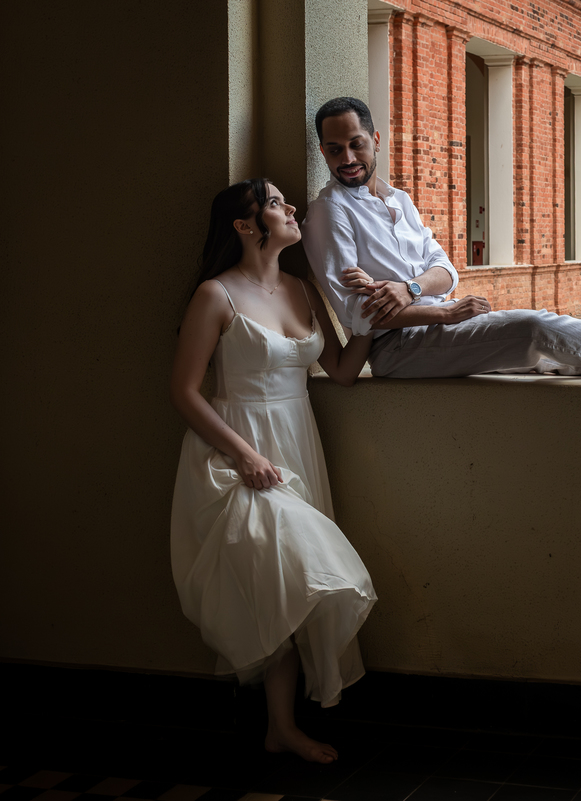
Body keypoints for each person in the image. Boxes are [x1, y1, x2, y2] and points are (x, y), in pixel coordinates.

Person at [302, 96, 581, 379]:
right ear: (323, 151)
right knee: (533, 327)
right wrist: (443, 313)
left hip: (436, 326)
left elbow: (446, 271)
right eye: (335, 149)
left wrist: (409, 287)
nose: (348, 158)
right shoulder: (329, 212)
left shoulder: (400, 200)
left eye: (356, 144)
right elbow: (361, 319)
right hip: (401, 349)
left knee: (553, 353)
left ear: (375, 140)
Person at [170, 178, 376, 764]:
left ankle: (279, 727)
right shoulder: (216, 294)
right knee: (276, 579)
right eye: (278, 202)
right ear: (244, 224)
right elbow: (184, 392)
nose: (292, 209)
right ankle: (280, 725)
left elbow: (336, 371)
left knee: (290, 583)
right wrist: (245, 454)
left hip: (298, 438)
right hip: (239, 450)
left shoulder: (301, 288)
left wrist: (374, 317)